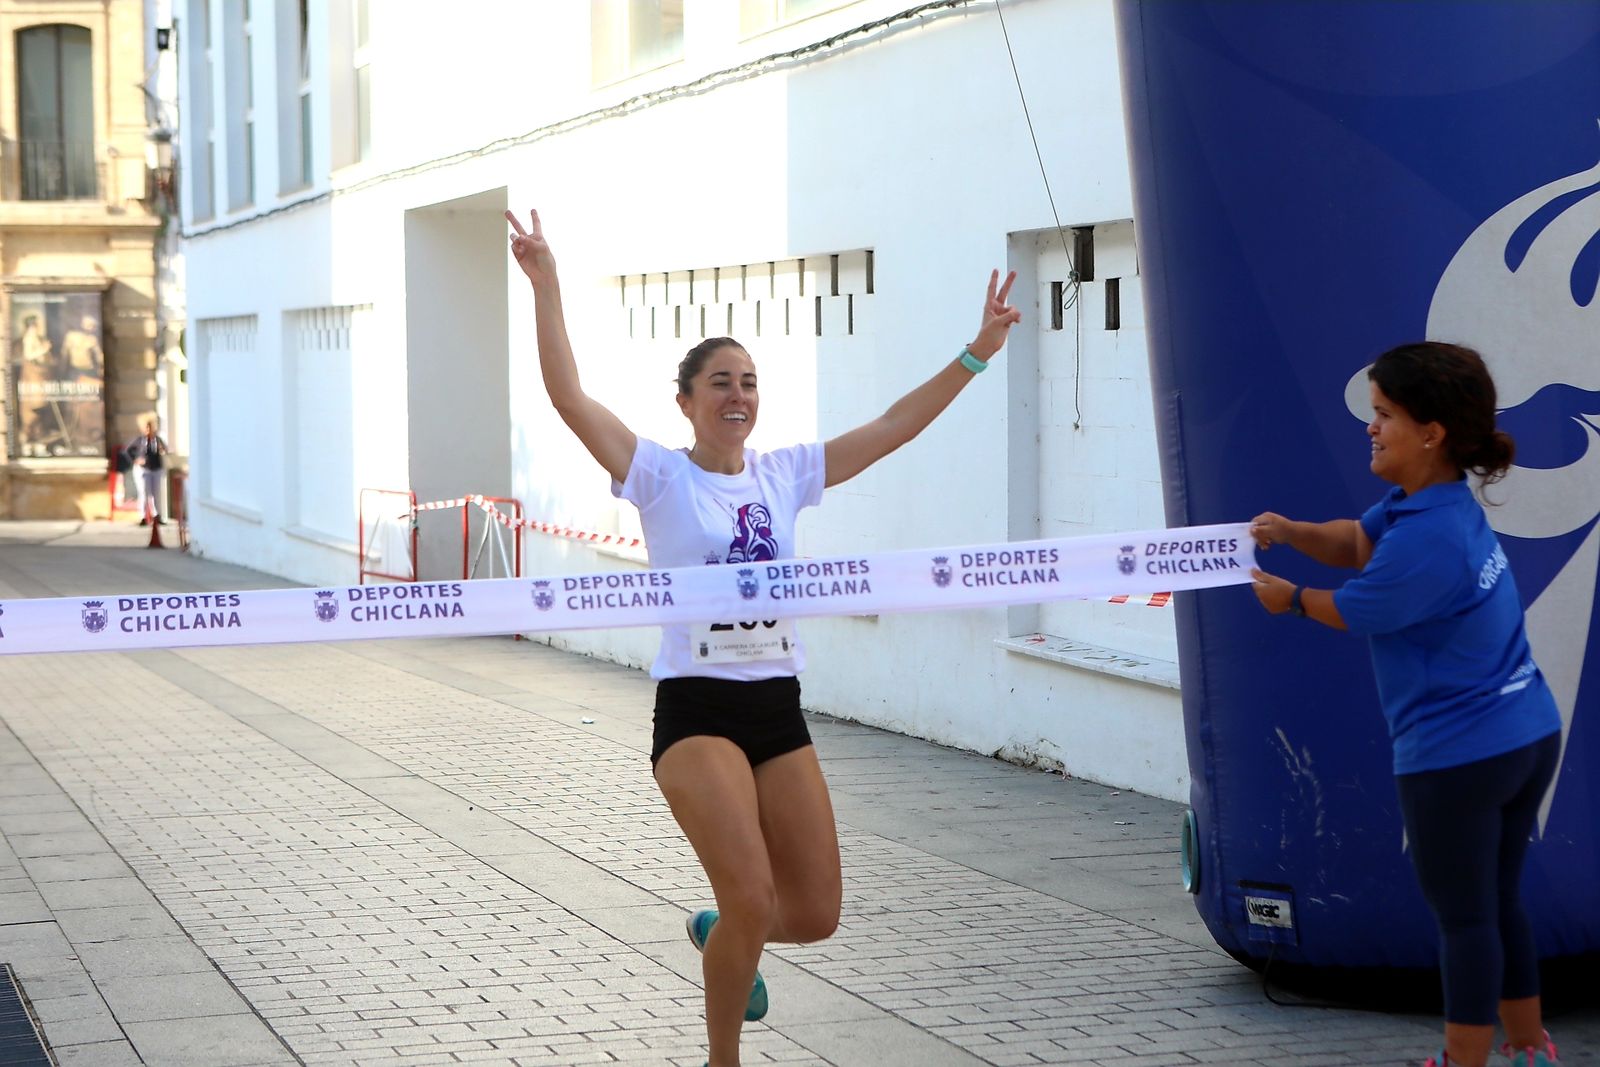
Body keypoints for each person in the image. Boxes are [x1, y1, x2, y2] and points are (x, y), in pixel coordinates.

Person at [507, 207, 1019, 1067]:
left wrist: (976, 353)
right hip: (698, 709)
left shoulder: (786, 474)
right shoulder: (659, 476)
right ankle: (722, 1057)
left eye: (749, 381)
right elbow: (567, 396)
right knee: (749, 890)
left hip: (777, 707)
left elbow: (892, 428)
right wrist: (548, 284)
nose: (739, 395)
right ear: (688, 401)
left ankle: (723, 936)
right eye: (721, 382)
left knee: (813, 912)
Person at [1249, 342, 1562, 1067]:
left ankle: (1463, 1060)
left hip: (1462, 756)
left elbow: (1356, 607)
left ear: (1432, 433)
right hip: (1526, 731)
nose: (1371, 426)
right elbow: (1356, 542)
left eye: (1385, 414)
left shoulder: (1429, 542)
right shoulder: (1431, 504)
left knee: (1464, 918)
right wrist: (1293, 532)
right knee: (1499, 901)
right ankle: (1527, 1048)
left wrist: (1290, 598)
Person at [127, 418, 169, 525]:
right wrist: (136, 460)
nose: (149, 430)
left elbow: (164, 450)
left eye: (151, 427)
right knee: (144, 493)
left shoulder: (157, 439)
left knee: (156, 493)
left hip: (156, 469)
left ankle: (156, 516)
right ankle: (143, 517)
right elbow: (128, 451)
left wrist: (162, 449)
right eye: (147, 427)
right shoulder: (140, 440)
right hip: (144, 470)